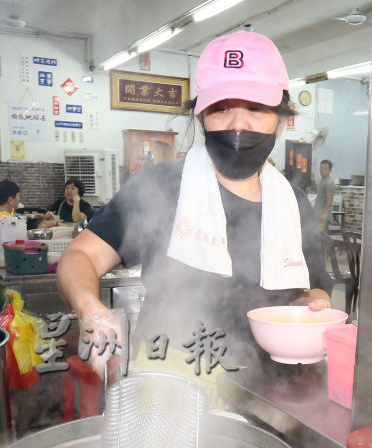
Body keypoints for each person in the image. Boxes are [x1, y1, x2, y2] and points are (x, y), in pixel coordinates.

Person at [57, 30, 332, 387]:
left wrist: (315, 307)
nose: (237, 124)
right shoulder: (162, 188)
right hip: (171, 383)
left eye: (255, 108)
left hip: (272, 391)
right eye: (222, 108)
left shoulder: (293, 203)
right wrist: (91, 309)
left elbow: (315, 290)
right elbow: (80, 257)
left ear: (281, 121)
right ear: (201, 116)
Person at [313, 160, 335, 232]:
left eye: (325, 168)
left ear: (330, 170)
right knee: (316, 236)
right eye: (321, 168)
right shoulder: (322, 181)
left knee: (320, 236)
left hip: (323, 217)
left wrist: (324, 214)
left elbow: (330, 200)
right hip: (318, 215)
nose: (322, 170)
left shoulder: (329, 182)